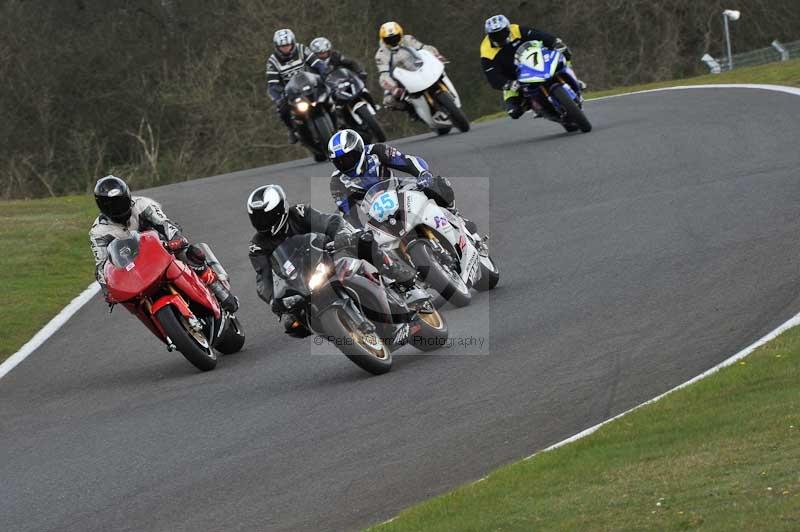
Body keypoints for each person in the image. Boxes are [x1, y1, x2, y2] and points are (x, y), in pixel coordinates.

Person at [246, 184, 417, 337]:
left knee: (363, 240)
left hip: (327, 252)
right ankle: (341, 331)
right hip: (300, 278)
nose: (262, 223)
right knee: (293, 324)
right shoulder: (257, 245)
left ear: (279, 209)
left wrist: (340, 233)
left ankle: (392, 268)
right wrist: (272, 300)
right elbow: (263, 278)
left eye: (265, 217)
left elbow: (328, 221)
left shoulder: (299, 213)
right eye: (257, 218)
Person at [90, 175, 238, 312]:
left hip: (162, 248)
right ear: (102, 207)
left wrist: (176, 238)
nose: (117, 208)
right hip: (133, 266)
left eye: (120, 202)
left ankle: (220, 291)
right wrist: (107, 290)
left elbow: (165, 223)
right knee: (129, 299)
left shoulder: (142, 204)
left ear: (127, 195)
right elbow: (101, 265)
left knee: (189, 253)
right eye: (111, 205)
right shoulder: (99, 232)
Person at [327, 129, 466, 230]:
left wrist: (423, 174)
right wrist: (358, 232)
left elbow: (407, 161)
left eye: (348, 158)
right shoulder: (337, 181)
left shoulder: (377, 151)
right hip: (378, 217)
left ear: (358, 149)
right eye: (339, 162)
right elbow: (347, 213)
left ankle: (455, 217)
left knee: (439, 184)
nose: (345, 164)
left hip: (401, 192)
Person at [480, 14, 584, 119]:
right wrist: (507, 84)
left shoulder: (516, 30)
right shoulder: (486, 51)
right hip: (513, 77)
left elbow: (540, 35)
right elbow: (492, 76)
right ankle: (536, 106)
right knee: (514, 112)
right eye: (495, 35)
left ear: (508, 28)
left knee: (564, 55)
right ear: (488, 35)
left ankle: (575, 79)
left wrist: (556, 43)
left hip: (533, 61)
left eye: (502, 32)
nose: (500, 37)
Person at [266, 28, 328, 143]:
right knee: (282, 109)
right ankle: (292, 130)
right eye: (282, 46)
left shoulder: (302, 49)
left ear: (293, 43)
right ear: (276, 47)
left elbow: (317, 64)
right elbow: (273, 84)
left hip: (310, 83)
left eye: (288, 45)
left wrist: (324, 73)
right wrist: (278, 97)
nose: (286, 48)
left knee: (330, 91)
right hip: (292, 91)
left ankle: (339, 113)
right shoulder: (272, 61)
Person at [374, 21, 445, 110]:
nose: (393, 41)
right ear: (383, 39)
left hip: (420, 68)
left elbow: (423, 48)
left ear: (401, 33)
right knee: (388, 101)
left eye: (396, 37)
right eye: (389, 39)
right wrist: (394, 88)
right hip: (401, 80)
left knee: (441, 69)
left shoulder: (407, 40)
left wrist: (436, 55)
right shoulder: (381, 54)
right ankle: (412, 111)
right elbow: (384, 74)